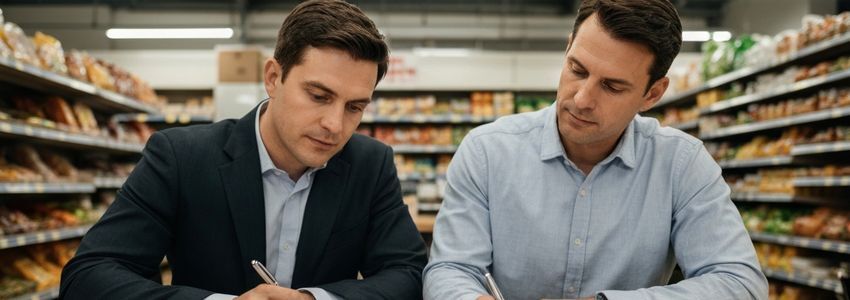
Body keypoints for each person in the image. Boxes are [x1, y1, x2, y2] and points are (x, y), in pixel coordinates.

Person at [60, 1, 427, 299]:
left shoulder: (370, 163)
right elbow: (89, 276)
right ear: (273, 78)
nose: (335, 124)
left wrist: (313, 299)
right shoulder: (181, 157)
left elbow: (408, 274)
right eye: (318, 96)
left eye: (354, 107)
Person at [423, 0, 768, 299]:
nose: (582, 99)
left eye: (612, 86)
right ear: (568, 46)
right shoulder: (487, 152)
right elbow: (449, 270)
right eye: (577, 69)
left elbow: (740, 283)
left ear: (652, 94)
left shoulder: (682, 164)